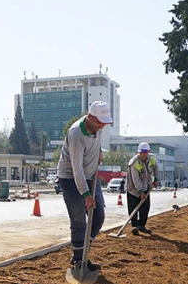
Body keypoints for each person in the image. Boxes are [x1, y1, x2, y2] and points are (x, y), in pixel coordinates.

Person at [57, 101, 113, 270]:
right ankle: (79, 259)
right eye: (99, 122)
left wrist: (100, 151)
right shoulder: (75, 135)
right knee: (79, 219)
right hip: (71, 179)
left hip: (89, 177)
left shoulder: (97, 127)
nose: (102, 125)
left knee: (99, 216)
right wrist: (86, 194)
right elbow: (76, 169)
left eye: (104, 122)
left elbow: (96, 141)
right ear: (89, 117)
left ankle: (83, 250)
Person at [126, 142, 158, 234]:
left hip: (146, 186)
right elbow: (135, 179)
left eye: (145, 152)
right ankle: (135, 226)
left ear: (148, 151)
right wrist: (140, 192)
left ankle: (141, 225)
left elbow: (156, 168)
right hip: (133, 189)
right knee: (133, 209)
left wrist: (156, 179)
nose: (143, 155)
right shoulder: (134, 162)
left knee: (145, 208)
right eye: (141, 153)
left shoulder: (151, 158)